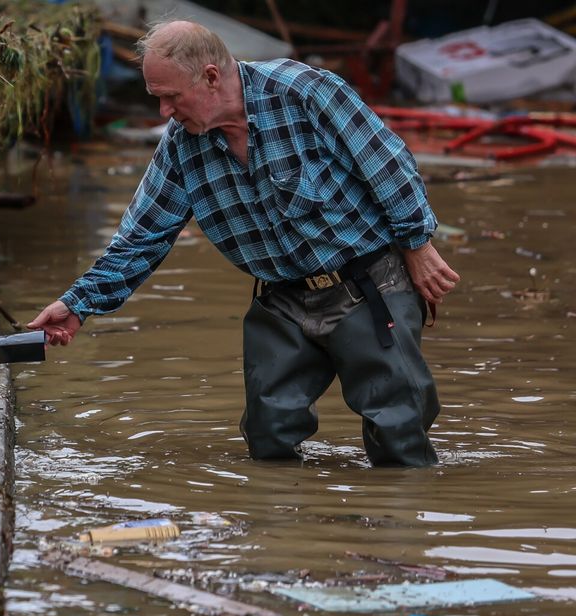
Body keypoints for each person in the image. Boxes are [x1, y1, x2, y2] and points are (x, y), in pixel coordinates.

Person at [27, 20, 460, 467]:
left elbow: (387, 164)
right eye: (157, 98)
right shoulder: (182, 145)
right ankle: (285, 529)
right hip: (282, 299)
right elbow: (142, 236)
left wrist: (417, 245)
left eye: (171, 96)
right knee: (267, 436)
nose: (164, 112)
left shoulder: (304, 91)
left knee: (398, 436)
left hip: (365, 284)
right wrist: (79, 304)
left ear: (211, 77)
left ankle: (399, 525)